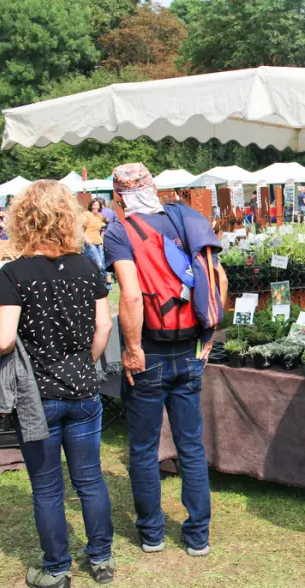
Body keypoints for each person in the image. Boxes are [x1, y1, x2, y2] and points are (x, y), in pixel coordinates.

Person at [0, 180, 115, 588]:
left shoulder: (14, 273)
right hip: (82, 391)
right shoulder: (87, 267)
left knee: (47, 486)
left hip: (36, 396)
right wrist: (87, 363)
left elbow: (3, 340)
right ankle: (101, 559)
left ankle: (57, 570)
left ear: (22, 219)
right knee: (90, 479)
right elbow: (105, 326)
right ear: (67, 217)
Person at [104, 163, 225, 559]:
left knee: (142, 447)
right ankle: (198, 536)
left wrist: (132, 348)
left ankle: (152, 534)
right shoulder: (185, 220)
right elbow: (219, 279)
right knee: (190, 445)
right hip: (191, 347)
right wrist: (208, 334)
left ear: (119, 197)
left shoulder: (120, 232)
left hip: (150, 351)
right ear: (152, 187)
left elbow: (132, 296)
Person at [83, 199, 110, 290]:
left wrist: (102, 240)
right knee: (98, 264)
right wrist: (85, 238)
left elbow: (104, 226)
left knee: (102, 264)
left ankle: (101, 285)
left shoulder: (99, 216)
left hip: (98, 242)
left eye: (97, 205)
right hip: (90, 243)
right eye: (94, 205)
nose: (95, 207)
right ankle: (95, 284)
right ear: (91, 206)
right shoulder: (86, 215)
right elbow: (79, 228)